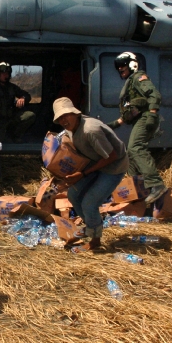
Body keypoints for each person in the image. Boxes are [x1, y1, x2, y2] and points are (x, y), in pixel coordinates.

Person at [52, 98, 129, 253]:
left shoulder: (90, 130)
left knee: (89, 203)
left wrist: (83, 173)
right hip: (94, 162)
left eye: (66, 115)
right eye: (59, 118)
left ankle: (95, 241)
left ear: (75, 113)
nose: (63, 120)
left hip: (113, 167)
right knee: (74, 195)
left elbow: (111, 156)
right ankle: (92, 226)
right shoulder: (69, 129)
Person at [107, 52, 167, 204]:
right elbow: (132, 110)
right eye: (118, 67)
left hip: (146, 118)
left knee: (136, 148)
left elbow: (154, 95)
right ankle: (135, 188)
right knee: (130, 154)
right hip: (140, 118)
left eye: (123, 65)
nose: (120, 69)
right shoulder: (131, 83)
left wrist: (152, 114)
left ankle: (156, 184)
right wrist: (113, 125)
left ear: (132, 64)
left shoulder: (138, 78)